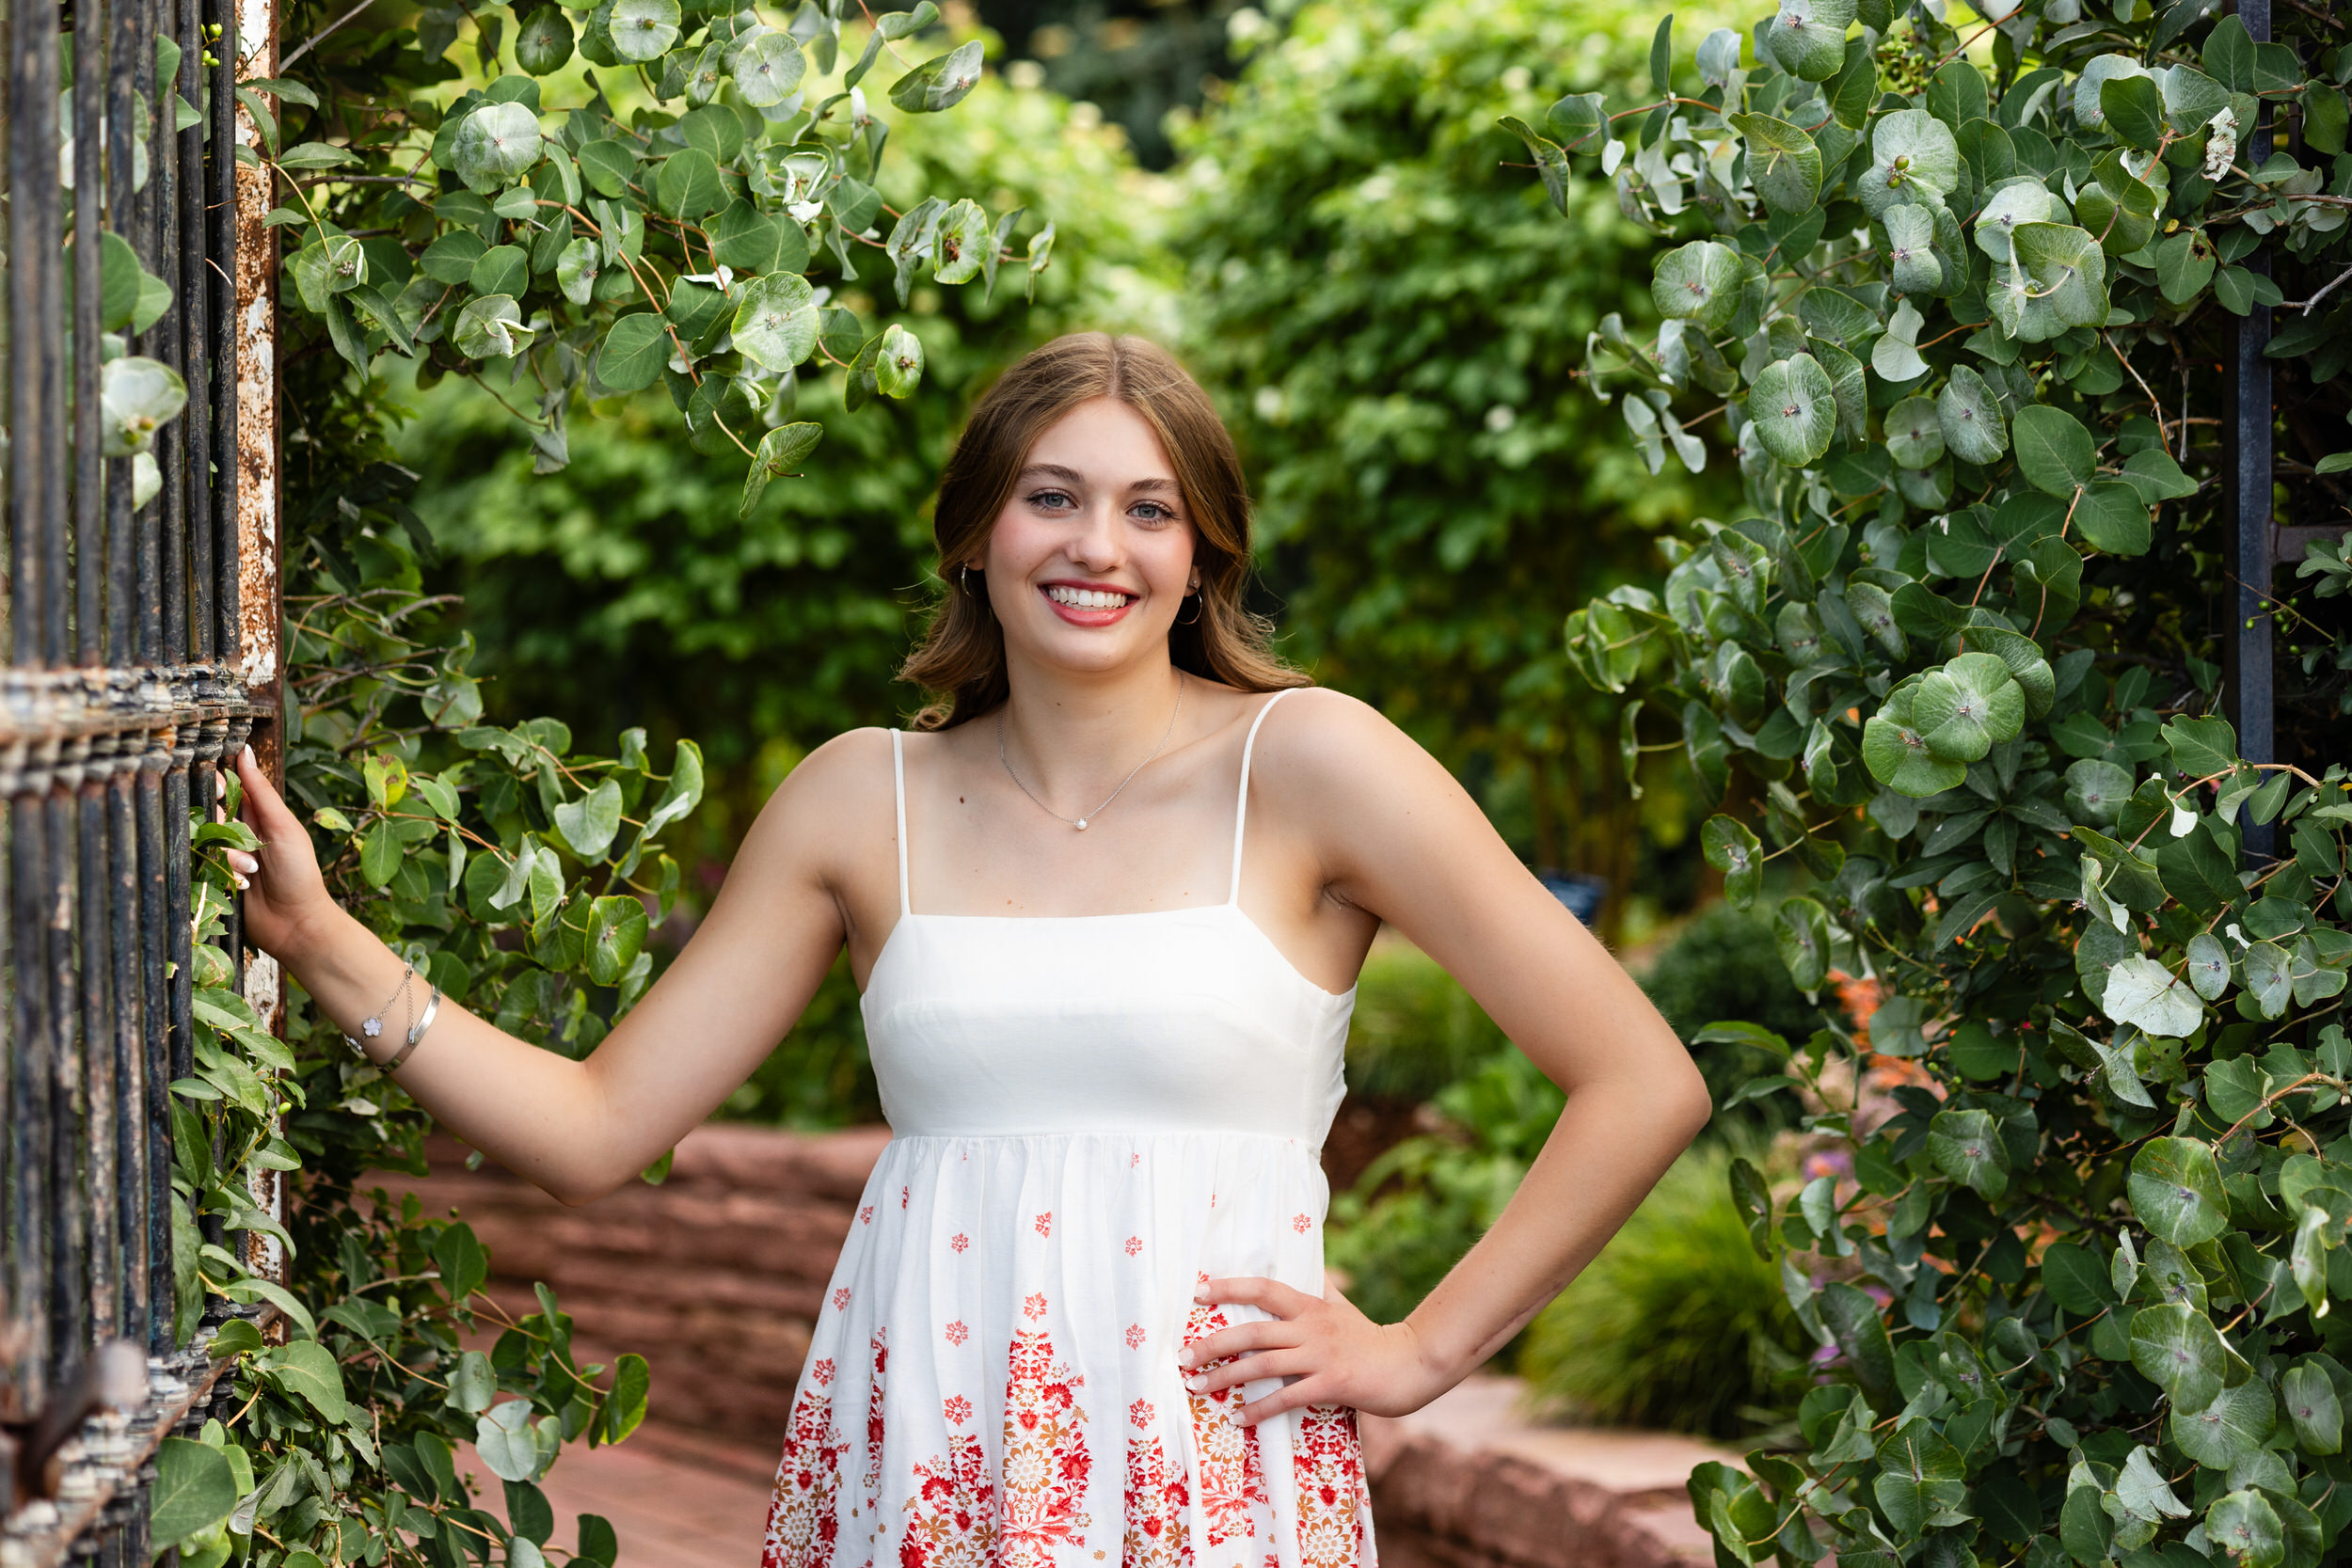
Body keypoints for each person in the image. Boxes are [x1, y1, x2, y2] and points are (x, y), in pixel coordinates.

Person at [229, 332, 1710, 1568]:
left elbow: (1639, 1079)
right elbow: (595, 1129)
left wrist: (1423, 1352)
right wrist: (319, 940)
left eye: (1148, 510)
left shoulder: (1313, 763)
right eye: (1050, 498)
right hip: (927, 1467)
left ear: (1202, 555)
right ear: (975, 533)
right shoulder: (856, 800)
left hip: (1204, 1481)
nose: (1095, 547)